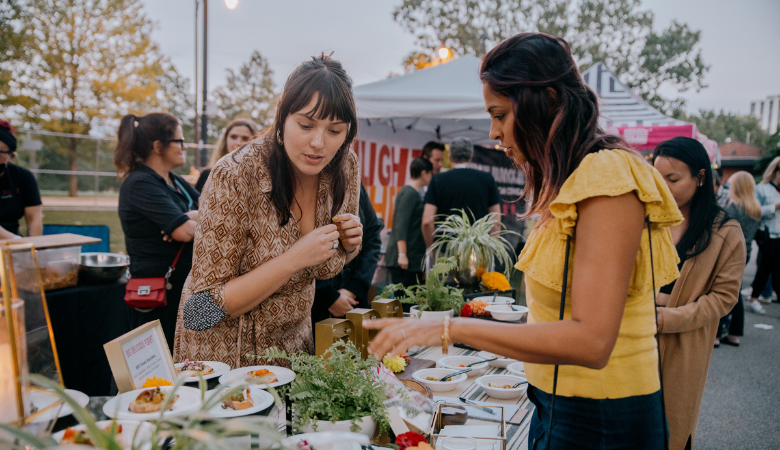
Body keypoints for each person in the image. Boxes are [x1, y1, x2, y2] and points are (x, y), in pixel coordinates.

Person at [365, 32, 681, 449]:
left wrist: (447, 326)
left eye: (499, 114)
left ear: (546, 100)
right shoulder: (568, 178)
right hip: (555, 402)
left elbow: (592, 341)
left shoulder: (608, 176)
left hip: (604, 417)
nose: (494, 132)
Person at [173, 55, 363, 367]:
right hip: (226, 360)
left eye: (335, 130)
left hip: (293, 350)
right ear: (281, 118)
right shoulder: (235, 174)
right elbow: (200, 309)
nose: (318, 143)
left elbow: (323, 269)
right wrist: (293, 259)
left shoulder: (343, 165)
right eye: (305, 125)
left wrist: (348, 245)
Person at [653, 137, 744, 450]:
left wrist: (669, 316)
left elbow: (724, 297)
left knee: (672, 429)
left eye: (673, 179)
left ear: (701, 177)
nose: (662, 187)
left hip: (684, 345)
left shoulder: (725, 231)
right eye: (657, 177)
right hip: (635, 338)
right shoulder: (649, 220)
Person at [115, 112, 200, 351]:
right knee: (161, 367)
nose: (184, 146)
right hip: (157, 295)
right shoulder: (140, 183)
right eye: (179, 141)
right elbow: (184, 232)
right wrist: (184, 222)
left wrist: (184, 218)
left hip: (183, 289)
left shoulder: (176, 181)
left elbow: (214, 211)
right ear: (158, 146)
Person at [311, 182, 383, 325]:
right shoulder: (306, 182)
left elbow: (372, 238)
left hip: (353, 299)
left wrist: (355, 287)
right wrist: (329, 296)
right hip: (314, 306)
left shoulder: (354, 183)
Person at [422, 137, 501, 247]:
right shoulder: (487, 179)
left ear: (450, 157)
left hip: (445, 249)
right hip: (478, 248)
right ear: (471, 156)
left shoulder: (437, 180)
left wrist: (430, 248)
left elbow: (427, 221)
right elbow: (495, 221)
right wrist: (491, 250)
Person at [718, 171, 762, 346]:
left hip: (728, 251)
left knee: (721, 290)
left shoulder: (731, 208)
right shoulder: (756, 208)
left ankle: (717, 333)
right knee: (735, 290)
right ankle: (735, 333)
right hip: (746, 251)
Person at [385, 157, 433, 287]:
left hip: (411, 258)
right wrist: (402, 254)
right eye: (430, 173)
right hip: (404, 260)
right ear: (424, 173)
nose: (431, 177)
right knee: (405, 302)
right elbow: (401, 224)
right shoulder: (409, 193)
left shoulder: (412, 193)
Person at [747, 156, 780, 314]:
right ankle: (754, 298)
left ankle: (756, 296)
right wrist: (775, 207)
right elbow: (755, 210)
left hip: (779, 235)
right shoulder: (762, 189)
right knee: (766, 269)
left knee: (771, 270)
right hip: (767, 235)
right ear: (776, 172)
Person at [0, 120, 43, 239]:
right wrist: (16, 240)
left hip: (12, 246)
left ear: (11, 156)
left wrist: (35, 246)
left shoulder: (23, 177)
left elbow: (35, 218)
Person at [194, 118, 258, 192]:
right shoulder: (208, 174)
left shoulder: (262, 177)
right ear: (225, 140)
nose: (238, 142)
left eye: (245, 138)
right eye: (233, 137)